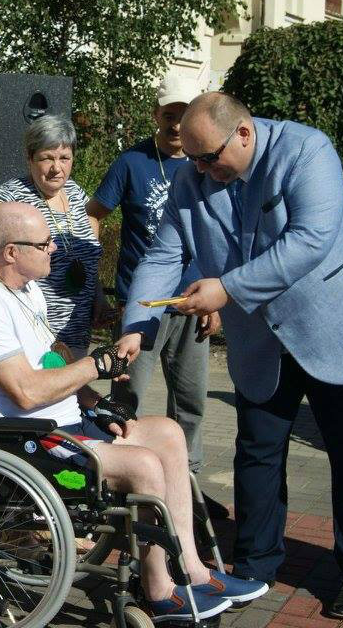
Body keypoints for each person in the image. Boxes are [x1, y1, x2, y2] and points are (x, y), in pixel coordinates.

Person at [117, 92, 343, 619]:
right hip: (261, 340)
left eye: (209, 158)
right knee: (257, 451)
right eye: (193, 159)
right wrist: (136, 328)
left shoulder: (307, 150)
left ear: (244, 133)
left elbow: (310, 240)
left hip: (337, 323)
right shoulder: (192, 179)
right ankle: (255, 565)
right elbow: (163, 256)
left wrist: (225, 289)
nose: (200, 170)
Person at [0, 201, 268, 623]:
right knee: (143, 465)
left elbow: (52, 365)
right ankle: (158, 590)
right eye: (44, 243)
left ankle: (193, 571)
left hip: (62, 425)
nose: (54, 248)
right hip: (23, 440)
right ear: (10, 252)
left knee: (168, 433)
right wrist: (96, 365)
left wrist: (97, 404)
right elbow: (25, 391)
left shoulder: (26, 289)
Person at [86, 74, 221, 479]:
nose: (176, 125)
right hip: (141, 306)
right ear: (155, 115)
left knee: (191, 401)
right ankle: (123, 473)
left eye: (184, 115)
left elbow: (218, 233)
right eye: (169, 115)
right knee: (127, 396)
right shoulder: (132, 162)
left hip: (192, 303)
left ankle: (187, 479)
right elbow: (94, 215)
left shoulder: (206, 164)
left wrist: (218, 297)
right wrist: (93, 277)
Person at [0, 114, 114, 363]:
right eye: (47, 158)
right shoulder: (11, 198)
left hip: (76, 332)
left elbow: (88, 259)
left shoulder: (77, 195)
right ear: (30, 158)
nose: (57, 168)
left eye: (64, 158)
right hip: (30, 337)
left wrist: (98, 299)